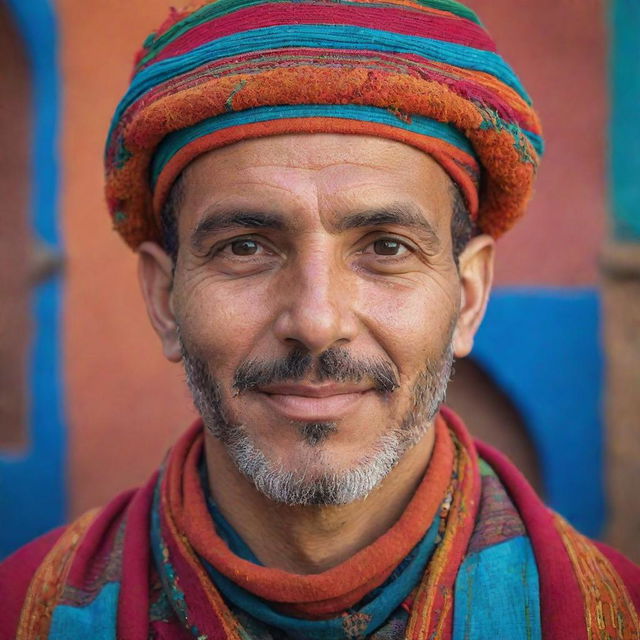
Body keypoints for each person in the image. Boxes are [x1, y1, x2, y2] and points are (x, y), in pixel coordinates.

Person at [1, 0, 638, 638]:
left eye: (386, 247)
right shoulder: (24, 612)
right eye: (245, 247)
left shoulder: (608, 616)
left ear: (468, 296)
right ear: (165, 298)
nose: (315, 320)